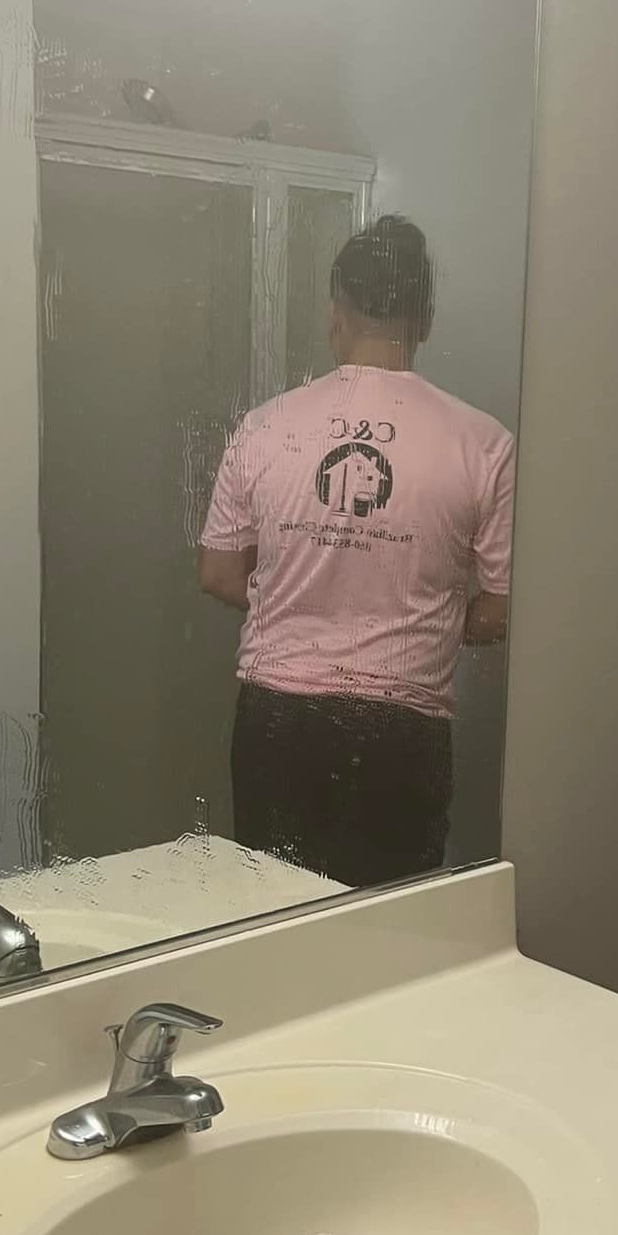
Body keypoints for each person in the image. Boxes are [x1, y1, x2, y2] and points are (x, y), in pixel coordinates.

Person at [198, 214, 514, 888]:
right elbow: (503, 607)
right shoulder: (483, 444)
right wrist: (421, 617)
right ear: (424, 319)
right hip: (403, 729)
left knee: (272, 914)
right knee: (383, 925)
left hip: (277, 721)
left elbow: (220, 571)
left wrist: (306, 595)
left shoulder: (264, 427)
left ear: (335, 310)